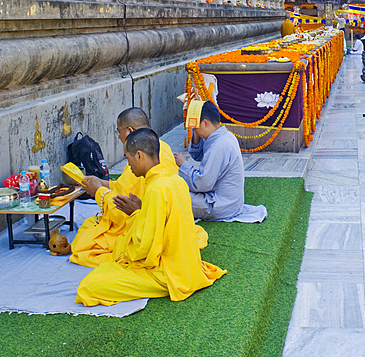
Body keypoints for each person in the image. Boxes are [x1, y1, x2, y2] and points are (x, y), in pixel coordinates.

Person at [75, 128, 226, 306]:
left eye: (128, 158)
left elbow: (144, 250)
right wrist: (141, 211)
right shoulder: (175, 181)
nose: (128, 165)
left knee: (87, 287)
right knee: (108, 265)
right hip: (186, 265)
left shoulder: (155, 189)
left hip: (167, 273)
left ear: (139, 155)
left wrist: (134, 215)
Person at [71, 108, 200, 268]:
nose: (118, 137)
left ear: (130, 132)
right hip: (162, 231)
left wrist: (98, 191)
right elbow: (127, 187)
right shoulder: (162, 148)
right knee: (89, 226)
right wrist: (103, 183)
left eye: (119, 132)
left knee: (83, 244)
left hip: (147, 237)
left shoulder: (154, 185)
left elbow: (121, 211)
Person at [174, 101, 245, 220]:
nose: (194, 131)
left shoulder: (219, 145)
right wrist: (197, 132)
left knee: (173, 193)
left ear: (205, 123)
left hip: (221, 206)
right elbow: (198, 155)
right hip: (230, 202)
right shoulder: (224, 136)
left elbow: (202, 184)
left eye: (195, 128)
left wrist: (184, 164)